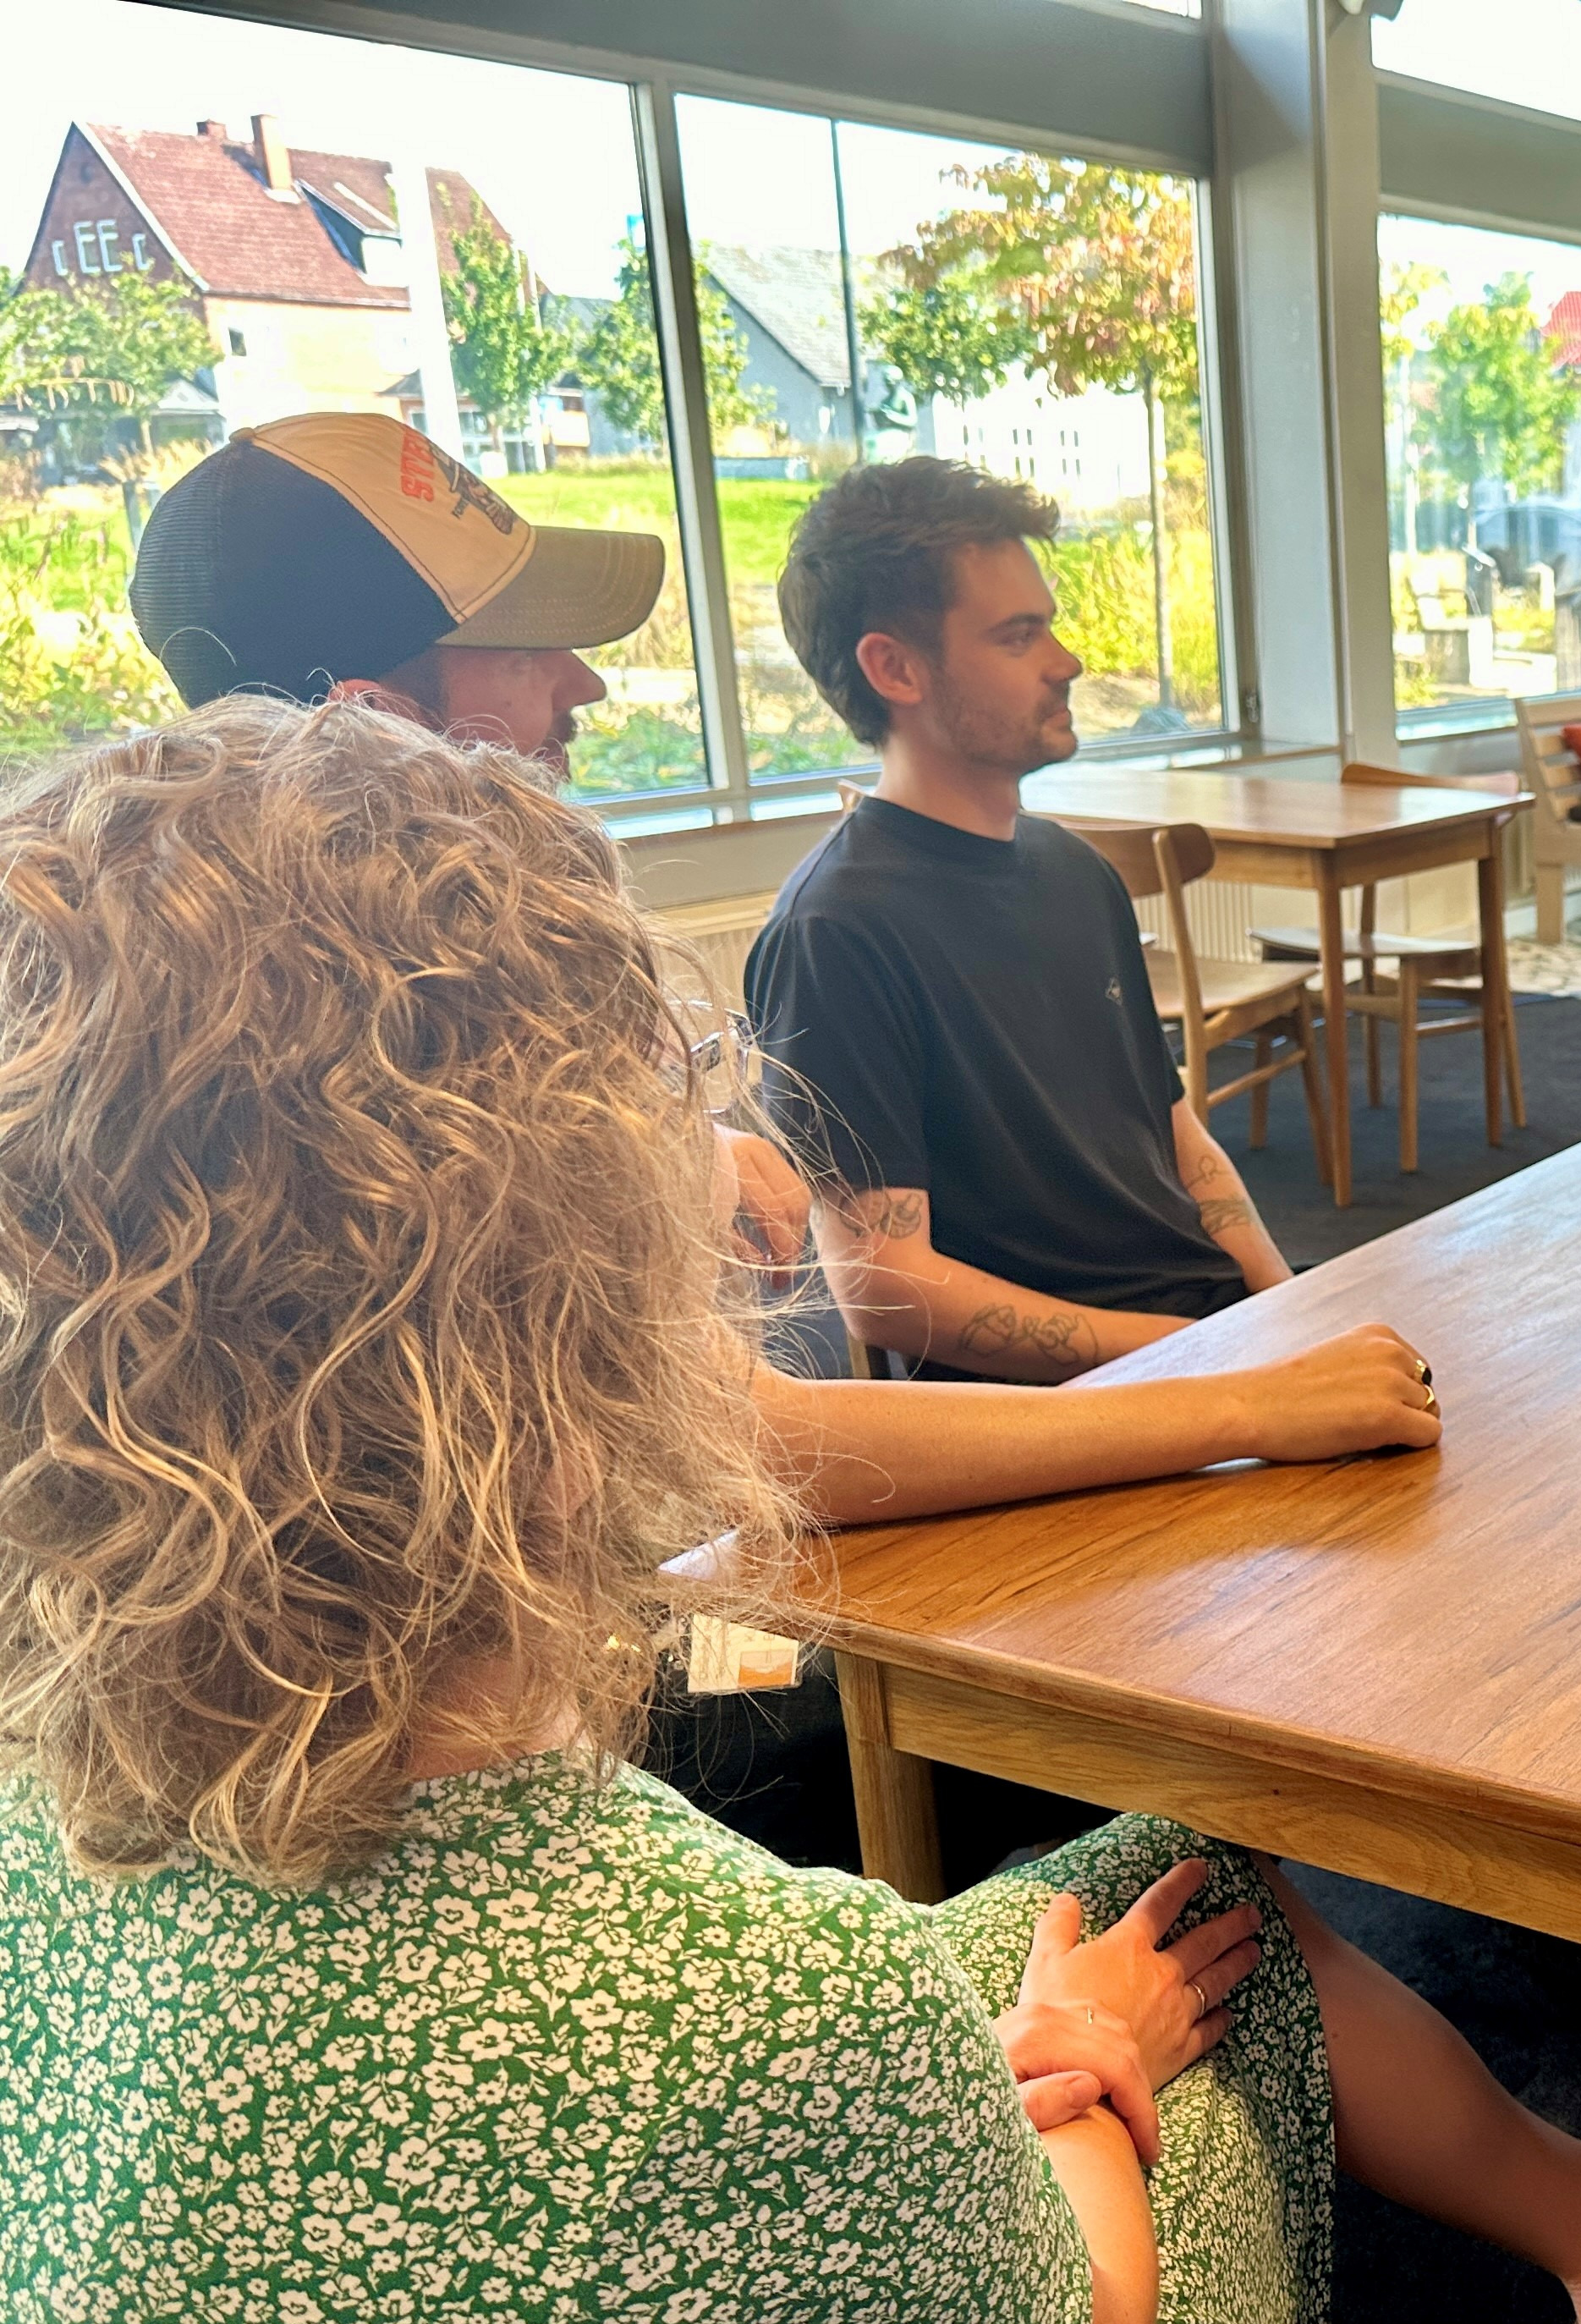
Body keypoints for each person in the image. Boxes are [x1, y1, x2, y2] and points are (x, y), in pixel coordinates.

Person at [0, 702, 1581, 2324]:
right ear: (580, 1353)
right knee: (1166, 1958)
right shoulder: (772, 2009)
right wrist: (1084, 2071)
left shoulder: (42, 1823)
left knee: (1156, 1880)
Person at [124, 412, 1435, 1524]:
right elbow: (757, 1439)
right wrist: (1241, 1391)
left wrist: (687, 1150)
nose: (585, 685)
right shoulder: (364, 1061)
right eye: (529, 648)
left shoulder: (215, 983)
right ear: (376, 724)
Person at [748, 457, 1303, 1384]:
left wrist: (1288, 1308)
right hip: (1071, 1415)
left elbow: (1173, 1135)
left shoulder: (1073, 870)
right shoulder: (833, 934)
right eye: (1018, 637)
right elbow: (883, 1286)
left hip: (1209, 1343)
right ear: (894, 667)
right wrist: (1208, 1362)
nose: (1067, 662)